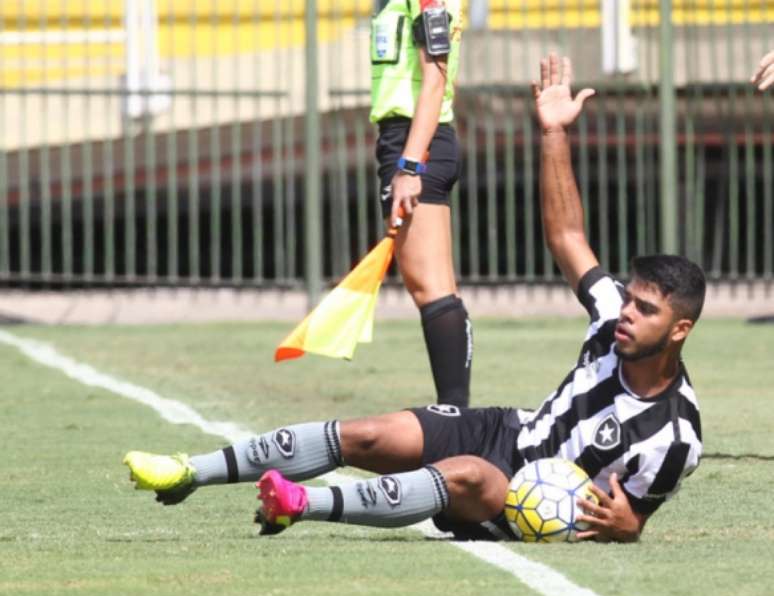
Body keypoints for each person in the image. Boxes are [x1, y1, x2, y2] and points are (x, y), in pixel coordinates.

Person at [123, 54, 706, 543]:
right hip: (509, 433)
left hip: (526, 499)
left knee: (468, 476)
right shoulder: (610, 316)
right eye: (630, 299)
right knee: (373, 434)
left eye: (646, 310)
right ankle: (187, 472)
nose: (627, 313)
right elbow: (568, 238)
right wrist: (553, 132)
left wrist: (626, 525)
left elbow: (633, 519)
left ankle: (300, 504)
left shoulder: (675, 435)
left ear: (679, 330)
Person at [371, 0, 472, 408]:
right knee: (438, 290)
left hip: (415, 141)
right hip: (409, 138)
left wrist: (410, 166)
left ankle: (454, 416)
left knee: (432, 292)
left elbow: (435, 79)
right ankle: (456, 414)